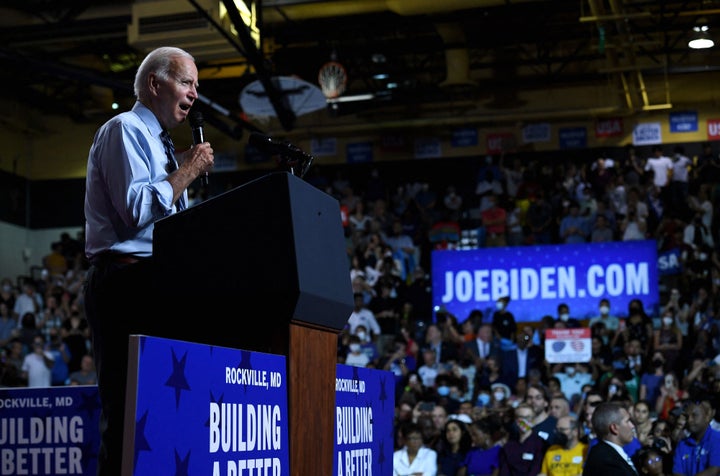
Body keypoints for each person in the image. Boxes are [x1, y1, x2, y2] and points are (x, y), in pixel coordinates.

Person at [83, 46, 214, 475]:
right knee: (126, 416)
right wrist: (189, 171)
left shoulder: (163, 146)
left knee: (159, 414)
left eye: (197, 85)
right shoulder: (124, 129)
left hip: (158, 284)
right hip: (126, 284)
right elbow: (136, 209)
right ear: (155, 83)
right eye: (186, 82)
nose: (195, 94)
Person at [582, 402, 638, 476]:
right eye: (627, 421)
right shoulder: (607, 461)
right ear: (614, 428)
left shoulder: (607, 454)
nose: (632, 426)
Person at [671, 399, 720, 476]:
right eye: (687, 417)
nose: (689, 420)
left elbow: (714, 470)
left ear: (707, 417)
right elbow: (677, 473)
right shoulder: (682, 445)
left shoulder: (717, 439)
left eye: (694, 415)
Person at [499, 402, 545, 476]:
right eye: (520, 417)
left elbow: (537, 469)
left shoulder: (540, 444)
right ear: (515, 419)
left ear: (534, 420)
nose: (524, 421)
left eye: (527, 417)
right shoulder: (508, 445)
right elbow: (504, 471)